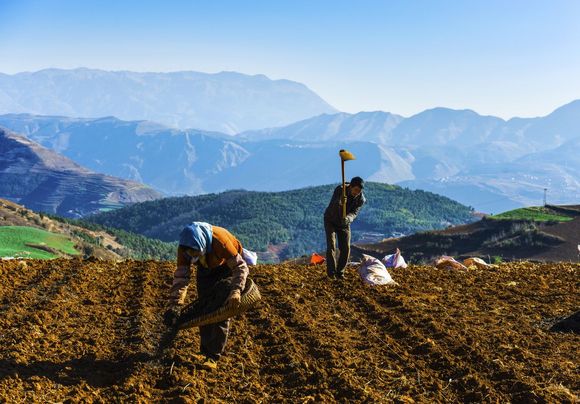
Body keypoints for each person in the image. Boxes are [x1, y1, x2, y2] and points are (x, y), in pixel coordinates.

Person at [163, 222, 249, 371]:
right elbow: (181, 277)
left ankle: (213, 356)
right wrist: (175, 304)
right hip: (206, 266)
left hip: (225, 267)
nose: (192, 256)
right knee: (204, 307)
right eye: (191, 254)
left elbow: (240, 267)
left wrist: (235, 290)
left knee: (220, 311)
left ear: (201, 245)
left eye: (195, 253)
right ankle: (204, 352)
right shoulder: (185, 248)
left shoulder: (220, 242)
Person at [323, 176, 366, 279]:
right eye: (355, 190)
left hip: (344, 223)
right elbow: (334, 204)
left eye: (359, 191)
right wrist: (341, 202)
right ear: (350, 187)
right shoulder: (340, 189)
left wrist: (348, 218)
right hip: (331, 220)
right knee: (331, 246)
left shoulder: (361, 199)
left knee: (346, 248)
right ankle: (331, 274)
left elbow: (354, 213)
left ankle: (340, 273)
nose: (357, 193)